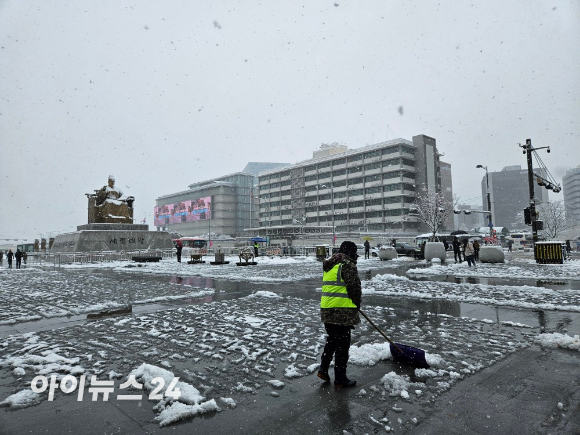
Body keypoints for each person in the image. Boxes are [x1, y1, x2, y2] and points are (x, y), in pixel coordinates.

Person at [317, 241, 361, 388]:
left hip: (327, 310)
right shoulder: (347, 264)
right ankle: (340, 378)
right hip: (341, 312)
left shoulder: (331, 264)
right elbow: (354, 287)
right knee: (342, 345)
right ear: (351, 252)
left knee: (333, 341)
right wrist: (356, 304)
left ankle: (323, 369)